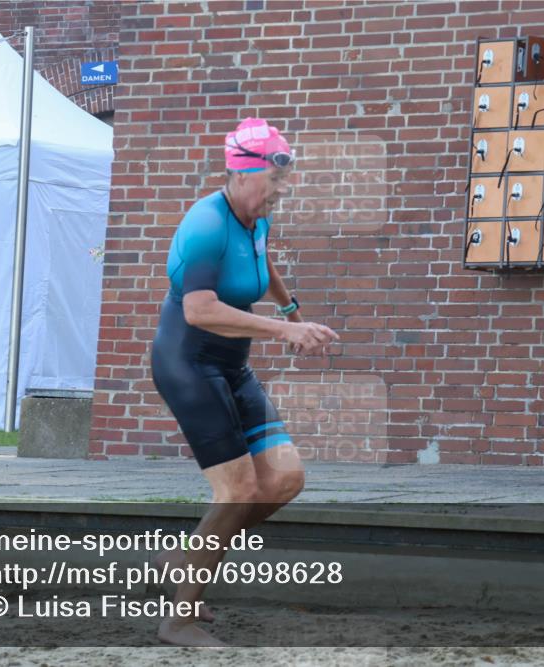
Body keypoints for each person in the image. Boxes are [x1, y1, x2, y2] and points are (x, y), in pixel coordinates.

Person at [150, 118, 339, 646]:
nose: (281, 191)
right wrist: (284, 330)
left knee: (284, 479)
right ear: (241, 173)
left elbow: (262, 261)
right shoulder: (205, 224)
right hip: (188, 364)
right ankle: (178, 621)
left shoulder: (256, 219)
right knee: (237, 490)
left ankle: (182, 560)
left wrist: (291, 308)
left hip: (232, 366)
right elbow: (199, 309)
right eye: (274, 181)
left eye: (283, 181)